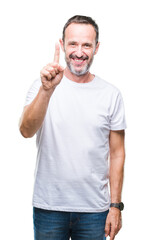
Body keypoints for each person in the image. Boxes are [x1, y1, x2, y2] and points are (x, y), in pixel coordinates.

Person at [19, 15, 126, 240]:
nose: (79, 52)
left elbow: (117, 154)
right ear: (62, 45)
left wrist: (115, 206)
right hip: (49, 207)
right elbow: (26, 131)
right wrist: (47, 90)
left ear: (96, 48)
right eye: (73, 44)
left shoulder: (111, 94)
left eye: (86, 44)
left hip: (95, 211)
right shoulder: (42, 85)